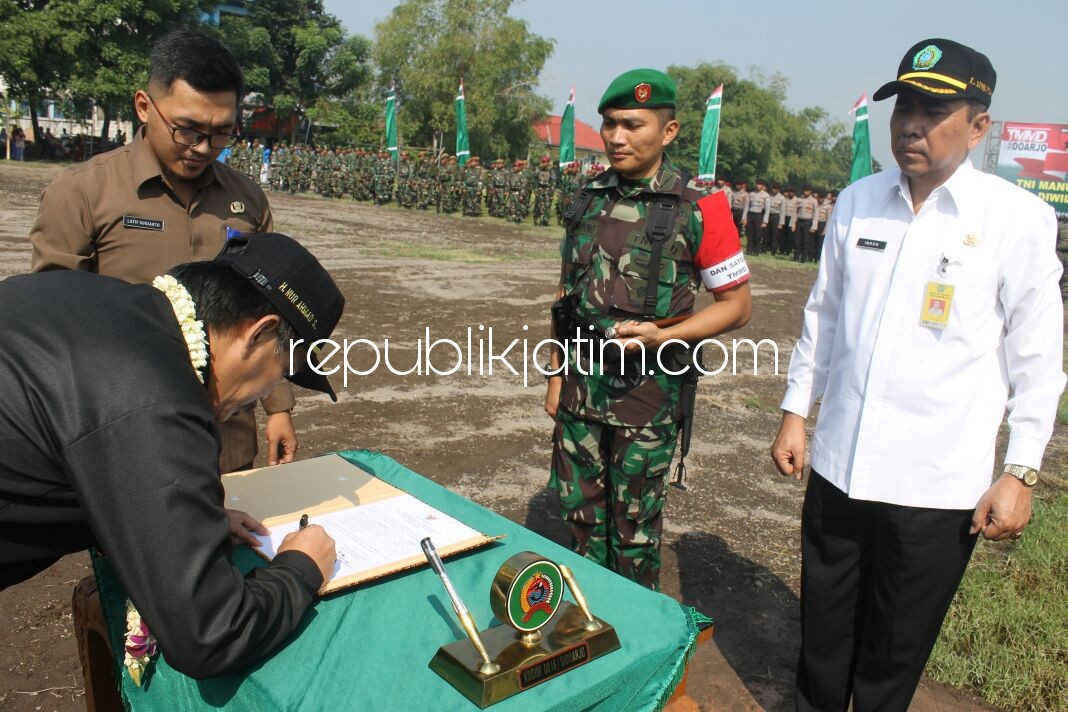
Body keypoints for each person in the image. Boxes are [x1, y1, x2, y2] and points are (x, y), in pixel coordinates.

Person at [770, 39, 1064, 711]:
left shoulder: (1015, 221)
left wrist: (1019, 472)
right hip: (841, 466)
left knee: (891, 652)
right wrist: (794, 410)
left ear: (980, 125)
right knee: (822, 635)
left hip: (935, 484)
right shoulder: (859, 202)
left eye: (934, 108)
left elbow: (1038, 359)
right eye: (904, 105)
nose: (910, 123)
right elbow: (825, 314)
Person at [0, 232, 345, 678]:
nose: (263, 394)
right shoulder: (159, 398)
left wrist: (181, 517)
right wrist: (301, 568)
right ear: (260, 333)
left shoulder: (99, 302)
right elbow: (211, 633)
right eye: (285, 371)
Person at [28, 29, 297, 474]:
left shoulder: (247, 200)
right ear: (143, 106)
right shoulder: (82, 193)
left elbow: (263, 316)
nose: (203, 149)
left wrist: (279, 407)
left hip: (225, 436)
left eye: (221, 134)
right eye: (187, 130)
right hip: (125, 430)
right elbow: (52, 325)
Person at [546, 68, 752, 590]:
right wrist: (554, 376)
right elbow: (565, 294)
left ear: (669, 131)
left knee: (633, 526)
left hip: (648, 394)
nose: (616, 137)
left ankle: (637, 632)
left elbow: (736, 306)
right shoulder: (586, 197)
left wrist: (666, 336)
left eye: (632, 125)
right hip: (579, 384)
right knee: (579, 514)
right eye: (610, 124)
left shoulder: (700, 207)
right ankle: (587, 619)